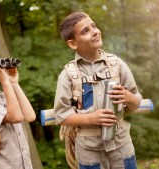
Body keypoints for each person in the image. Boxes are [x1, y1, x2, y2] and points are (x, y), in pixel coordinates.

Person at [54, 12, 142, 169]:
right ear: (73, 44)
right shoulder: (68, 75)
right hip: (88, 150)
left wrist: (129, 97)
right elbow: (62, 115)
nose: (94, 31)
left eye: (93, 26)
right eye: (85, 31)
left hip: (121, 144)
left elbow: (136, 102)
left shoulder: (117, 64)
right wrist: (90, 119)